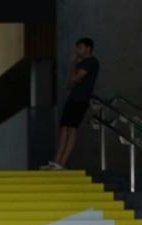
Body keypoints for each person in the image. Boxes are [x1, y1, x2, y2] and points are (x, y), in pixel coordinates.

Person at [43, 37, 99, 170]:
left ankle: (61, 163)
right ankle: (57, 161)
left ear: (88, 48)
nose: (78, 51)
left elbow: (74, 79)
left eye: (80, 48)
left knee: (72, 128)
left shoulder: (91, 62)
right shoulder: (83, 63)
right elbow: (69, 84)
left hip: (80, 99)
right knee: (64, 128)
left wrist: (74, 63)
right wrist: (75, 69)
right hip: (74, 98)